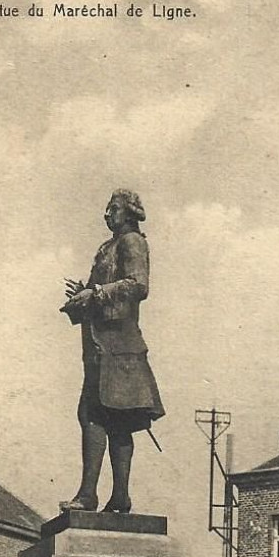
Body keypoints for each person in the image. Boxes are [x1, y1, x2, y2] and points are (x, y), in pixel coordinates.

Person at [59, 189, 165, 513]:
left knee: (106, 416)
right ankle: (111, 496)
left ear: (129, 213)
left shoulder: (133, 242)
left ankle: (96, 495)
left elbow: (138, 285)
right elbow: (95, 292)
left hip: (121, 346)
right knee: (103, 415)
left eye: (114, 208)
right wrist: (82, 295)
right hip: (100, 346)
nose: (107, 213)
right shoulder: (106, 248)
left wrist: (97, 293)